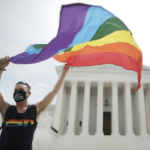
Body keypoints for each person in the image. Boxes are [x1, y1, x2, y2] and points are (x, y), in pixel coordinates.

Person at [0, 56, 69, 150]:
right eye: (15, 90)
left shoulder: (34, 111)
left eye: (21, 90)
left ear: (28, 94)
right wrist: (1, 68)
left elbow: (55, 91)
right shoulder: (6, 109)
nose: (17, 92)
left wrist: (64, 72)